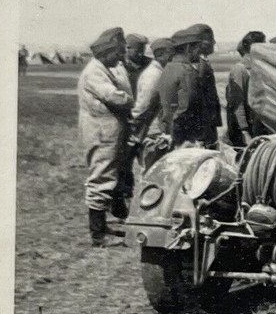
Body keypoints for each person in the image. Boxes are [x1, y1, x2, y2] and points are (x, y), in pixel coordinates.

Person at [77, 27, 134, 247]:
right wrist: (129, 99)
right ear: (106, 52)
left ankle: (102, 228)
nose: (121, 58)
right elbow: (116, 97)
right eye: (118, 53)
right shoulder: (95, 71)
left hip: (108, 132)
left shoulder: (105, 67)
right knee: (101, 179)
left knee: (109, 177)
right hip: (102, 133)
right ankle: (98, 235)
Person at [157, 28, 209, 147]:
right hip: (185, 138)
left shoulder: (168, 68)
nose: (199, 53)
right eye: (197, 48)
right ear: (188, 48)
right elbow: (186, 107)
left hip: (170, 132)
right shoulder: (187, 71)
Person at [128, 37, 174, 171]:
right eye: (170, 53)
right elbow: (143, 108)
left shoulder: (160, 72)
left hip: (157, 134)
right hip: (153, 136)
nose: (173, 57)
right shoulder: (153, 75)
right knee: (153, 175)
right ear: (159, 55)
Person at [226, 31, 266, 147]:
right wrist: (245, 132)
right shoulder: (240, 70)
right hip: (246, 130)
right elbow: (238, 105)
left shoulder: (255, 68)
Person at [187, 23, 222, 148]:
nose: (214, 42)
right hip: (204, 126)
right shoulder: (201, 65)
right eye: (210, 39)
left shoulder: (203, 62)